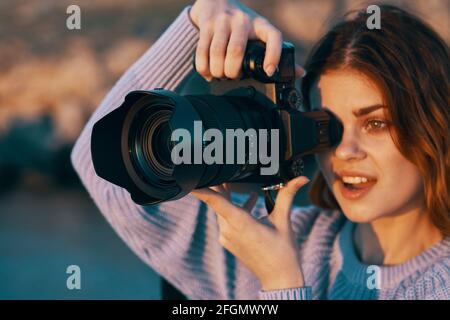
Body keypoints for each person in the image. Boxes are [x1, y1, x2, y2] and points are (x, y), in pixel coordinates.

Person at [71, 0, 450, 299]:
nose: (345, 150)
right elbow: (100, 167)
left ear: (433, 124)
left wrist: (282, 282)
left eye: (375, 123)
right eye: (326, 127)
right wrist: (198, 23)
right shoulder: (282, 241)